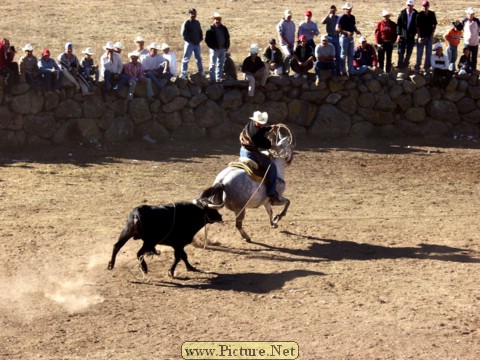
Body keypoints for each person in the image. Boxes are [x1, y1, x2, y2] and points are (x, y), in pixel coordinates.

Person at [239, 111, 283, 205]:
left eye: (263, 123)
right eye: (261, 123)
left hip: (243, 150)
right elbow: (268, 145)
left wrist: (270, 127)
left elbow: (261, 130)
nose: (263, 125)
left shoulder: (250, 124)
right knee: (271, 166)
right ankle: (272, 194)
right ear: (257, 122)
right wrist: (273, 134)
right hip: (251, 153)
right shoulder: (256, 135)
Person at [336, 2, 362, 76]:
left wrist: (356, 31)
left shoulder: (352, 17)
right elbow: (337, 28)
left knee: (351, 54)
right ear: (345, 9)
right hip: (344, 37)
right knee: (343, 54)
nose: (349, 10)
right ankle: (343, 71)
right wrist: (346, 32)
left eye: (350, 9)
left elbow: (353, 26)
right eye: (347, 9)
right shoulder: (342, 17)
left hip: (351, 37)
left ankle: (351, 71)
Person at [180, 8, 205, 79]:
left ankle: (201, 72)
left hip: (197, 44)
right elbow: (183, 33)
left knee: (199, 59)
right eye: (191, 13)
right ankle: (183, 73)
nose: (193, 15)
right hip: (189, 44)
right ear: (189, 14)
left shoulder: (197, 22)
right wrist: (188, 41)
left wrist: (200, 39)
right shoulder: (187, 22)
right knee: (186, 59)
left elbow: (200, 31)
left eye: (194, 13)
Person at [205, 12, 230, 83]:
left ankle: (218, 78)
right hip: (214, 49)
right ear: (214, 19)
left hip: (222, 48)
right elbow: (207, 40)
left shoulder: (224, 28)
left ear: (220, 19)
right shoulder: (210, 29)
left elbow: (227, 37)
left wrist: (227, 46)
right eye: (216, 19)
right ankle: (213, 79)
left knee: (220, 64)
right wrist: (212, 47)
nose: (217, 20)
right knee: (213, 64)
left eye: (218, 19)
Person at [415, 0, 437, 73]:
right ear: (422, 6)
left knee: (429, 53)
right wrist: (419, 36)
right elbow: (417, 26)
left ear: (428, 6)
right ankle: (417, 67)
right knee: (419, 53)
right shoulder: (419, 15)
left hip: (429, 36)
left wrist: (432, 34)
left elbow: (435, 24)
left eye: (426, 6)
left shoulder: (432, 14)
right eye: (424, 6)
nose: (425, 7)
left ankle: (427, 67)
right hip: (422, 37)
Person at [396, 0, 418, 70]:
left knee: (409, 51)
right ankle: (400, 66)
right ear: (406, 5)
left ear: (413, 6)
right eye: (408, 5)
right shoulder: (402, 13)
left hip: (411, 36)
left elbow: (417, 25)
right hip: (403, 35)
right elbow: (399, 25)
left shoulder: (416, 14)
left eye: (411, 5)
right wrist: (398, 34)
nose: (409, 7)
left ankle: (405, 65)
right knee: (401, 51)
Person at [322, 5, 341, 76]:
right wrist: (328, 13)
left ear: (336, 10)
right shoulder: (328, 18)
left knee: (338, 55)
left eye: (334, 9)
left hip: (337, 37)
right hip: (329, 38)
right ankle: (330, 71)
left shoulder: (338, 18)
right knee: (330, 55)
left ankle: (338, 71)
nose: (333, 10)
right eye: (331, 9)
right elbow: (322, 22)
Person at [277, 9, 296, 75]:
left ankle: (288, 71)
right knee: (288, 55)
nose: (289, 17)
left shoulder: (292, 22)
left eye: (290, 16)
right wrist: (287, 43)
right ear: (284, 15)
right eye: (288, 16)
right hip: (284, 44)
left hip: (291, 43)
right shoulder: (281, 23)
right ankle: (284, 69)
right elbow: (281, 35)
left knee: (292, 57)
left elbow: (293, 33)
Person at [462, 7, 479, 72]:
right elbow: (460, 28)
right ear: (467, 14)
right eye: (470, 14)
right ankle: (467, 69)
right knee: (467, 57)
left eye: (472, 14)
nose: (471, 15)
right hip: (467, 43)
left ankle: (473, 70)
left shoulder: (477, 20)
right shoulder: (464, 20)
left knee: (474, 57)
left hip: (475, 43)